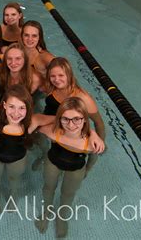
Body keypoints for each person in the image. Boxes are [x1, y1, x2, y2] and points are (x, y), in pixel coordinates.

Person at [35, 97, 105, 238]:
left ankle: (62, 216)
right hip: (52, 163)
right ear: (59, 119)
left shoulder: (91, 143)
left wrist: (88, 169)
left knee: (68, 193)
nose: (71, 125)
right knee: (48, 187)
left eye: (76, 119)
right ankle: (47, 211)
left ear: (85, 119)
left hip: (76, 168)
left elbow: (94, 157)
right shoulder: (51, 131)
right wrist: (42, 151)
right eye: (65, 119)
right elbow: (34, 126)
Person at [0, 85, 54, 213]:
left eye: (22, 108)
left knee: (14, 179)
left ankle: (13, 196)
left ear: (28, 108)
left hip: (17, 158)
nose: (16, 114)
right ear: (4, 105)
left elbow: (63, 118)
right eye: (11, 107)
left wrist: (91, 133)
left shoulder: (32, 122)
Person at [40, 57, 106, 174]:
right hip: (52, 125)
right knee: (53, 148)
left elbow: (99, 122)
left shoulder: (83, 98)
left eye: (61, 75)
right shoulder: (50, 86)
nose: (56, 80)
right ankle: (43, 157)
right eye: (53, 76)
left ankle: (86, 167)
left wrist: (98, 140)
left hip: (71, 129)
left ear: (69, 75)